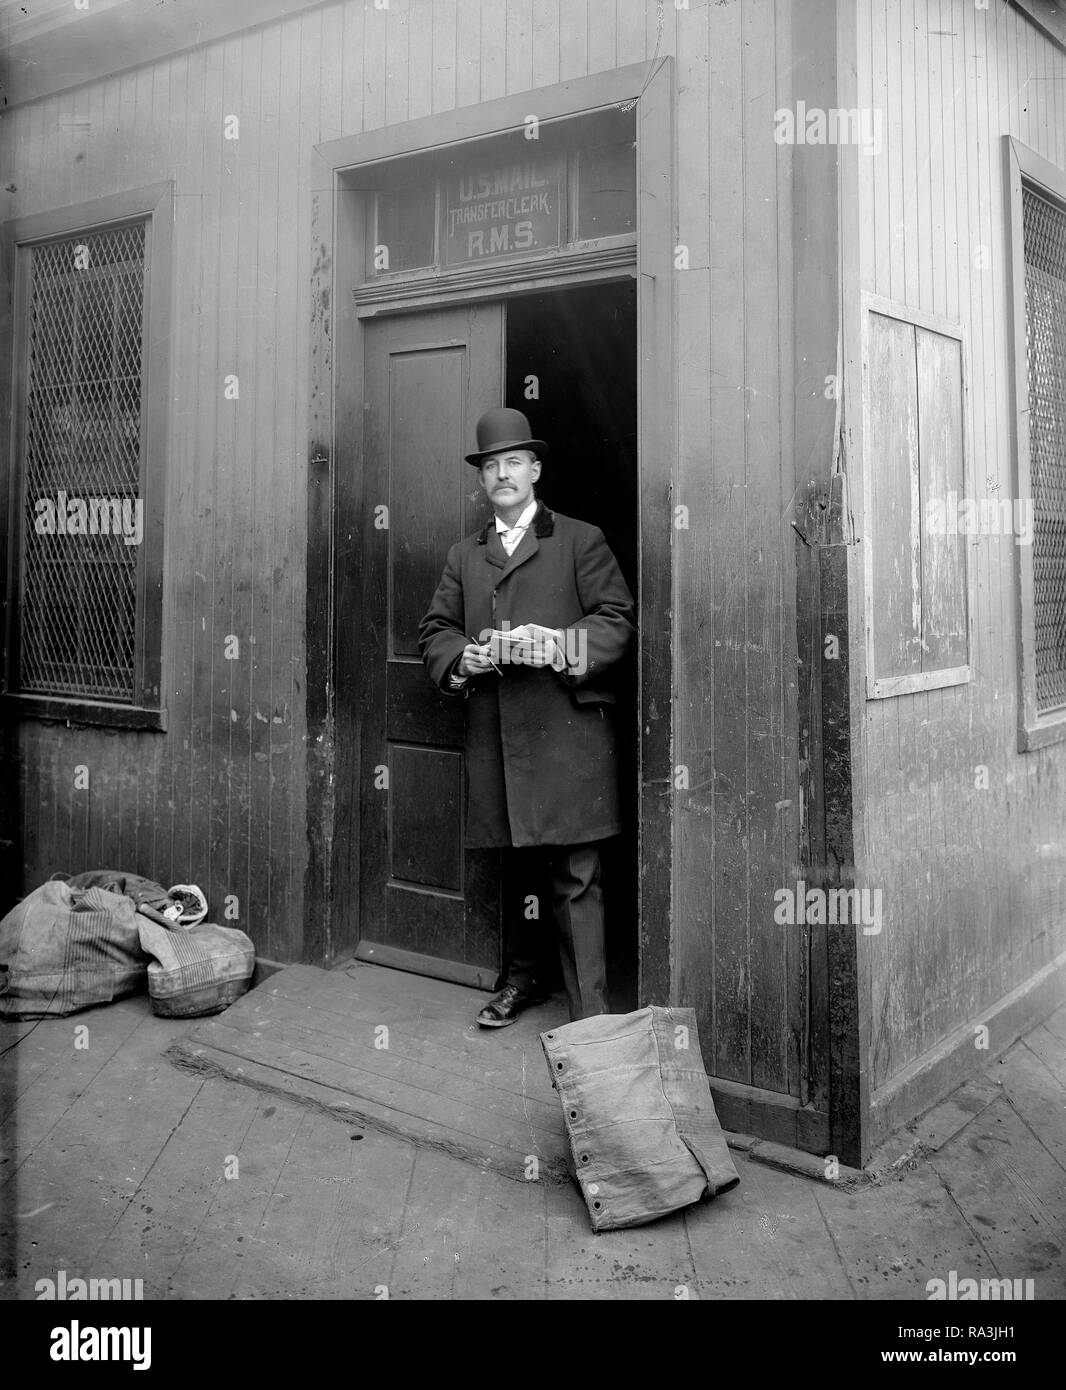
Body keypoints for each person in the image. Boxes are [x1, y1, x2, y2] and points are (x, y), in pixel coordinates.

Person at [418, 407, 636, 1027]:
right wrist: (469, 657)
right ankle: (522, 982)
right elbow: (435, 631)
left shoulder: (579, 538)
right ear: (482, 481)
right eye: (491, 466)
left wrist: (561, 645)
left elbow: (617, 618)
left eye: (514, 462)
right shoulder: (466, 555)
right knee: (517, 866)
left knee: (577, 874)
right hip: (501, 734)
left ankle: (590, 1016)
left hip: (567, 733)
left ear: (535, 470)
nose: (502, 474)